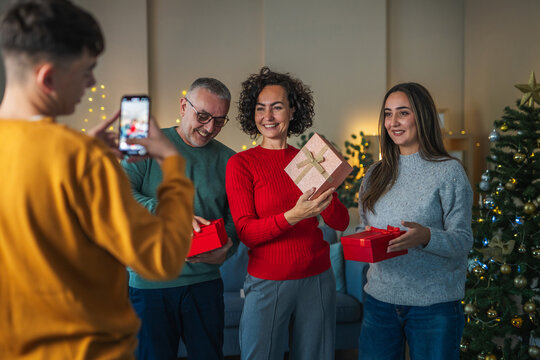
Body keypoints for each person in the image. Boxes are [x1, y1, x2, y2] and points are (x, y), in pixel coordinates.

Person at [0, 1, 195, 359]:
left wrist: (81, 151)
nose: (91, 82)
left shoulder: (76, 154)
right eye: (87, 70)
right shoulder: (80, 158)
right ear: (47, 77)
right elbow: (162, 260)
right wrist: (171, 164)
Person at [225, 66, 349, 360]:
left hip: (317, 278)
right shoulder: (242, 164)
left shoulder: (305, 161)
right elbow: (247, 233)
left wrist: (324, 188)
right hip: (268, 280)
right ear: (252, 113)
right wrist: (294, 214)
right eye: (261, 108)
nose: (268, 116)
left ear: (292, 111)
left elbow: (340, 221)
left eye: (277, 107)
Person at [122, 77, 238, 360]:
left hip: (205, 285)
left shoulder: (230, 160)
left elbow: (235, 219)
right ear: (184, 105)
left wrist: (228, 248)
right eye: (203, 116)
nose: (210, 128)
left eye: (220, 121)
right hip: (150, 285)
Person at [356, 82, 473, 360]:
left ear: (421, 117)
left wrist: (426, 237)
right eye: (387, 113)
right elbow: (363, 227)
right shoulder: (374, 174)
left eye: (403, 113)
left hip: (434, 306)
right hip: (379, 300)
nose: (393, 122)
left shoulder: (449, 172)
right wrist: (364, 239)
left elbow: (464, 240)